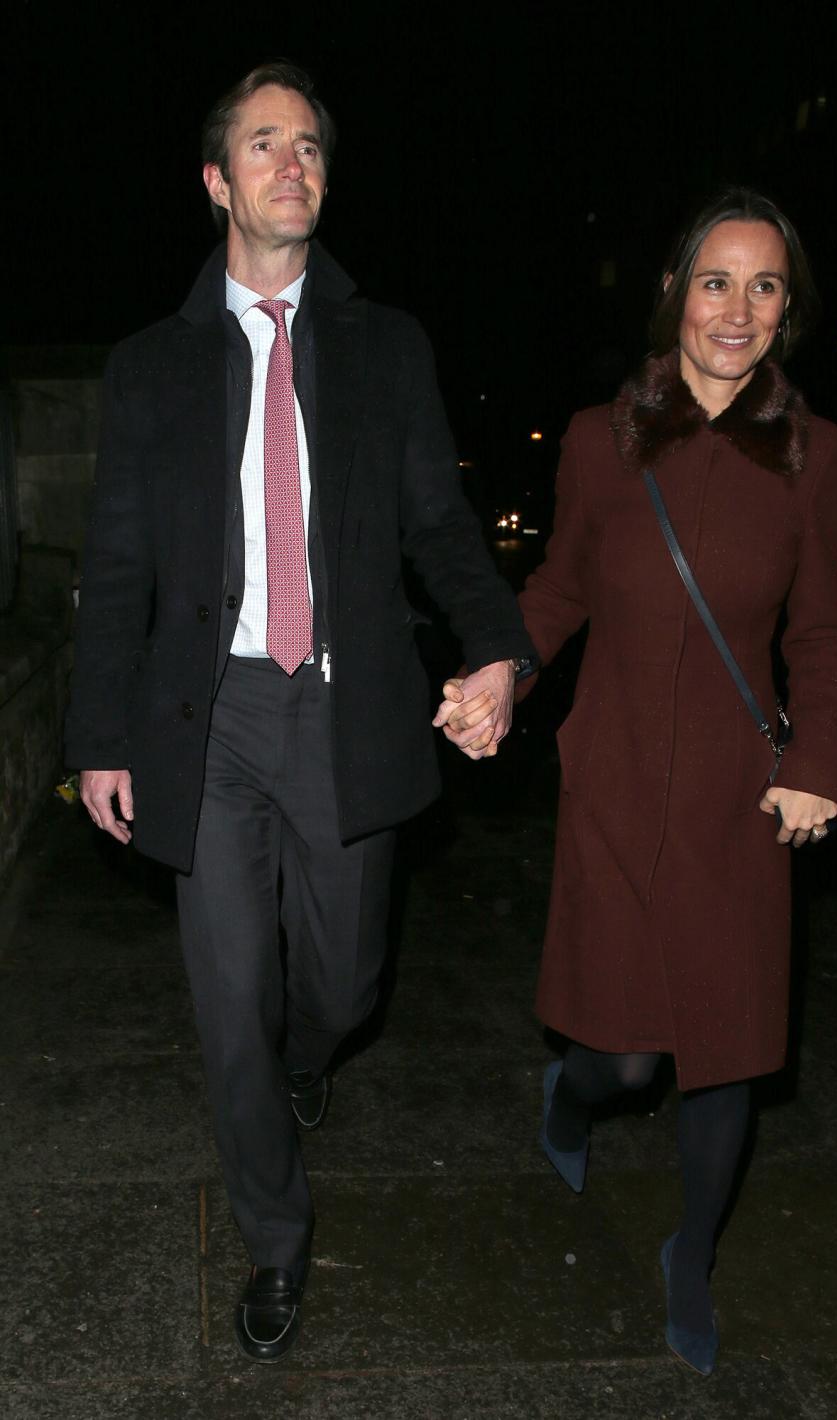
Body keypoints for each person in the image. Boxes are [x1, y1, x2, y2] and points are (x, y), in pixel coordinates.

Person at [64, 61, 535, 1364]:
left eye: (311, 144)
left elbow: (441, 529)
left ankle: (313, 1046)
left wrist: (501, 655)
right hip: (203, 725)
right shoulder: (153, 367)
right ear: (218, 182)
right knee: (229, 1010)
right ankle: (275, 1242)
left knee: (342, 978)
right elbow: (114, 571)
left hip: (343, 712)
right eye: (265, 143)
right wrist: (99, 736)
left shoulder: (384, 348)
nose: (293, 163)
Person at [436, 188, 837, 1374]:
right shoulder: (597, 438)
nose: (738, 308)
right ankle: (573, 1097)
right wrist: (504, 674)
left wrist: (819, 758)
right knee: (625, 1051)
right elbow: (560, 587)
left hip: (740, 792)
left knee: (724, 1052)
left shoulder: (816, 458)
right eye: (716, 280)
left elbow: (823, 630)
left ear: (788, 311)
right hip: (615, 779)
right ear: (676, 291)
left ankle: (691, 1253)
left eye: (765, 285)